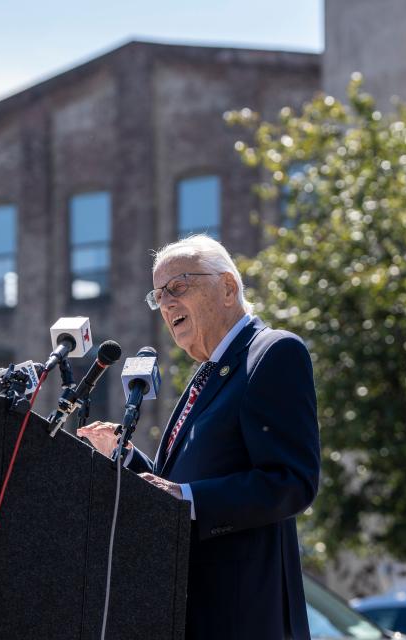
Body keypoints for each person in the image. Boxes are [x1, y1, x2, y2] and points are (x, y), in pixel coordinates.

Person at [78, 234, 320, 640]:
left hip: (242, 619)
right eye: (159, 296)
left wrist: (187, 498)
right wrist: (126, 457)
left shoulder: (272, 353)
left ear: (227, 288)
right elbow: (175, 486)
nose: (167, 303)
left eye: (179, 287)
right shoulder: (207, 374)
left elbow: (292, 482)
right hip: (186, 615)